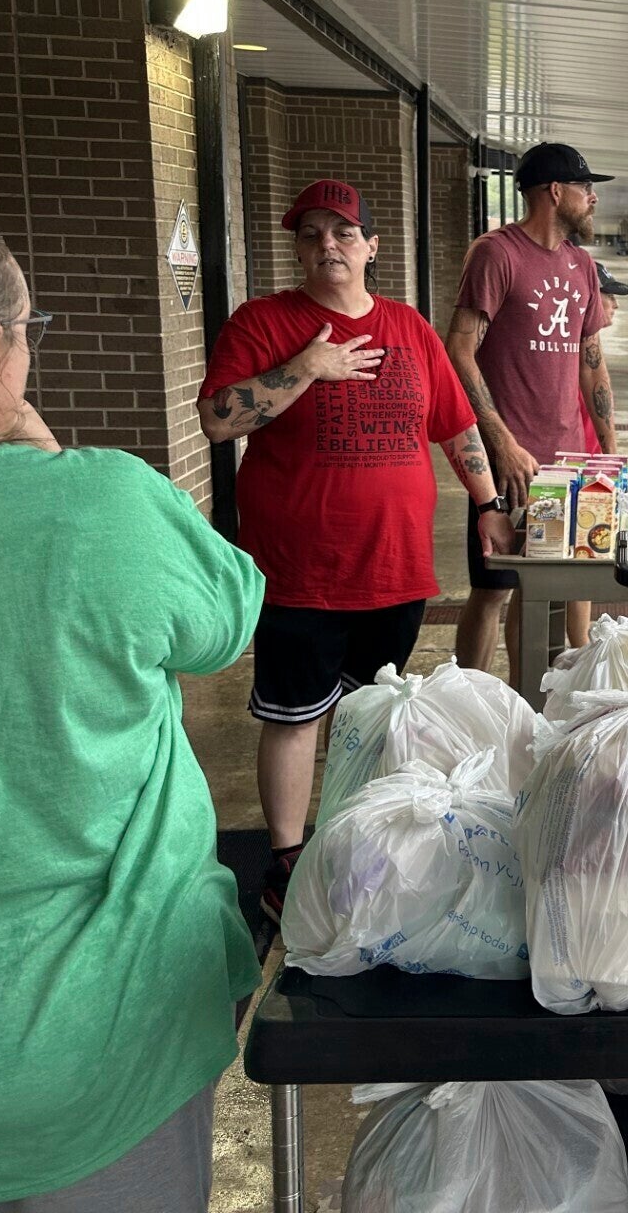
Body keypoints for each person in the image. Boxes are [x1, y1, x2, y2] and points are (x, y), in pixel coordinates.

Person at [0, 207, 260, 1211]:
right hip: (104, 1040)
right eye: (28, 331)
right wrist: (40, 455)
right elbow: (226, 616)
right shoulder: (97, 506)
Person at [198, 178, 513, 923]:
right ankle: (284, 860)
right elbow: (216, 420)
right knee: (294, 714)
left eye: (343, 232)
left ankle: (349, 837)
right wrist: (307, 369)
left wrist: (490, 504)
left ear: (372, 246)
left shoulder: (408, 328)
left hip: (395, 568)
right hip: (301, 570)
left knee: (368, 712)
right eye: (311, 233)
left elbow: (455, 425)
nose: (326, 245)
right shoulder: (264, 323)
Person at [449, 143, 619, 673]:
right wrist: (499, 441)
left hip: (567, 465)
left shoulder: (582, 266)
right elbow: (458, 349)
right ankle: (472, 699)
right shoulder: (497, 254)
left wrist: (608, 455)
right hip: (509, 460)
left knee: (542, 586)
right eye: (586, 189)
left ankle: (531, 703)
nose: (593, 199)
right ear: (555, 191)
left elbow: (591, 362)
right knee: (493, 589)